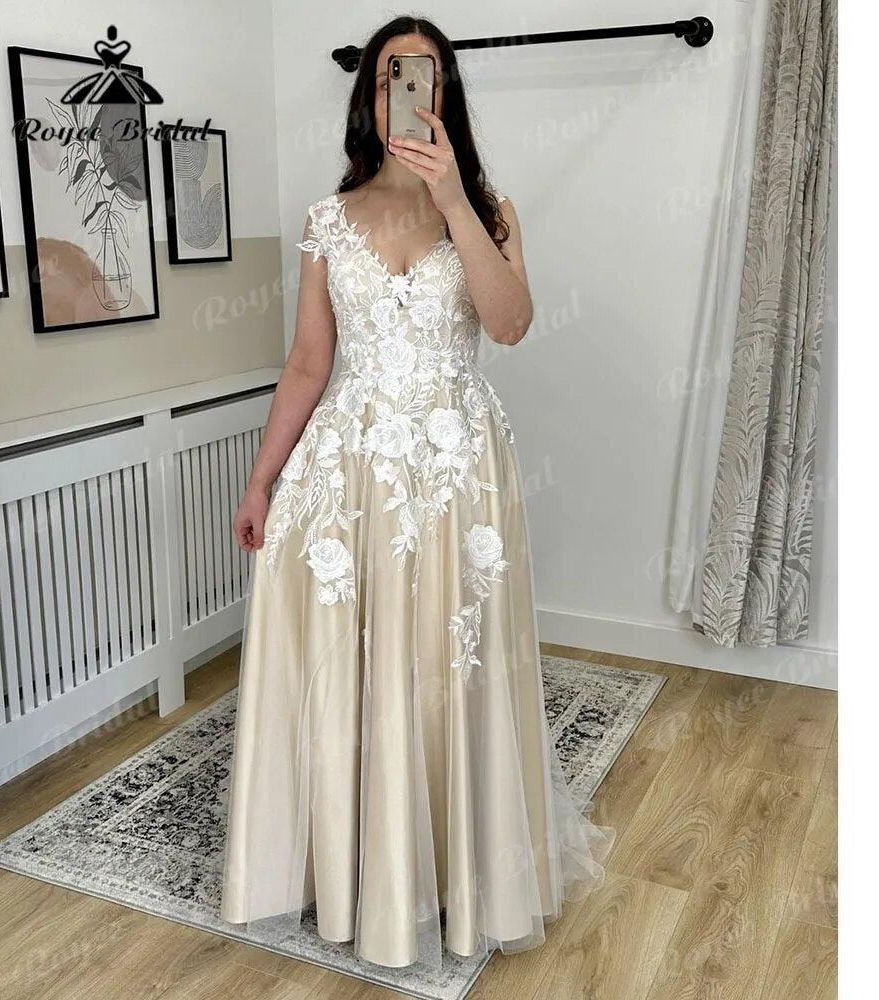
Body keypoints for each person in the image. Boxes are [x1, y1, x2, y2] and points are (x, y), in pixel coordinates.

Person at [220, 15, 613, 971]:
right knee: (352, 668)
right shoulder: (327, 219)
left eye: (424, 72)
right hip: (346, 476)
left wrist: (452, 199)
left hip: (454, 474)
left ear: (445, 93)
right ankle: (353, 867)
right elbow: (308, 364)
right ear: (371, 94)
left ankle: (455, 871)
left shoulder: (490, 208)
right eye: (391, 71)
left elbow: (510, 324)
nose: (407, 85)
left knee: (449, 663)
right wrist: (263, 480)